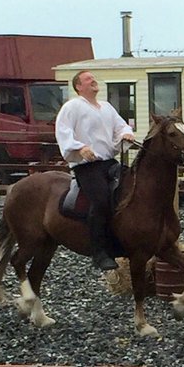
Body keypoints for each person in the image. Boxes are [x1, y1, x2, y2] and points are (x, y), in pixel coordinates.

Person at [55, 70, 138, 271]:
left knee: (129, 191)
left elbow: (121, 126)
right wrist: (80, 148)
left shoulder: (107, 107)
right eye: (87, 79)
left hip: (109, 162)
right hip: (87, 166)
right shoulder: (72, 107)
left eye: (93, 78)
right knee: (100, 200)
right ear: (78, 87)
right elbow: (63, 131)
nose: (93, 80)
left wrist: (126, 135)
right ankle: (99, 252)